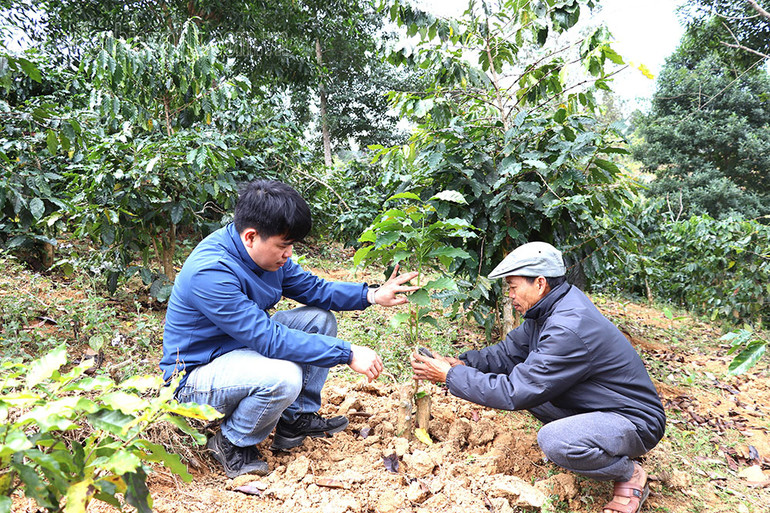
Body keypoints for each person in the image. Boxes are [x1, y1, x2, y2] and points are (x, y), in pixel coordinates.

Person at [161, 179, 419, 479]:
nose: (289, 254)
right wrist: (347, 353)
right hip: (194, 378)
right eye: (283, 246)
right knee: (283, 377)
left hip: (238, 349)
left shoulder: (268, 256)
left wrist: (372, 295)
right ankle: (231, 443)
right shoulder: (211, 272)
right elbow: (269, 339)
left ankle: (294, 420)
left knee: (320, 321)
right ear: (251, 237)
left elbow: (313, 288)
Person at [411, 241, 665, 513]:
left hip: (635, 420)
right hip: (599, 406)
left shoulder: (567, 327)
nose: (510, 295)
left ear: (540, 283)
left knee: (555, 440)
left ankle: (628, 472)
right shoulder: (548, 309)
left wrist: (451, 376)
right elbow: (508, 355)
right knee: (535, 394)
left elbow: (514, 392)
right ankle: (599, 441)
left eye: (513, 287)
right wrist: (461, 362)